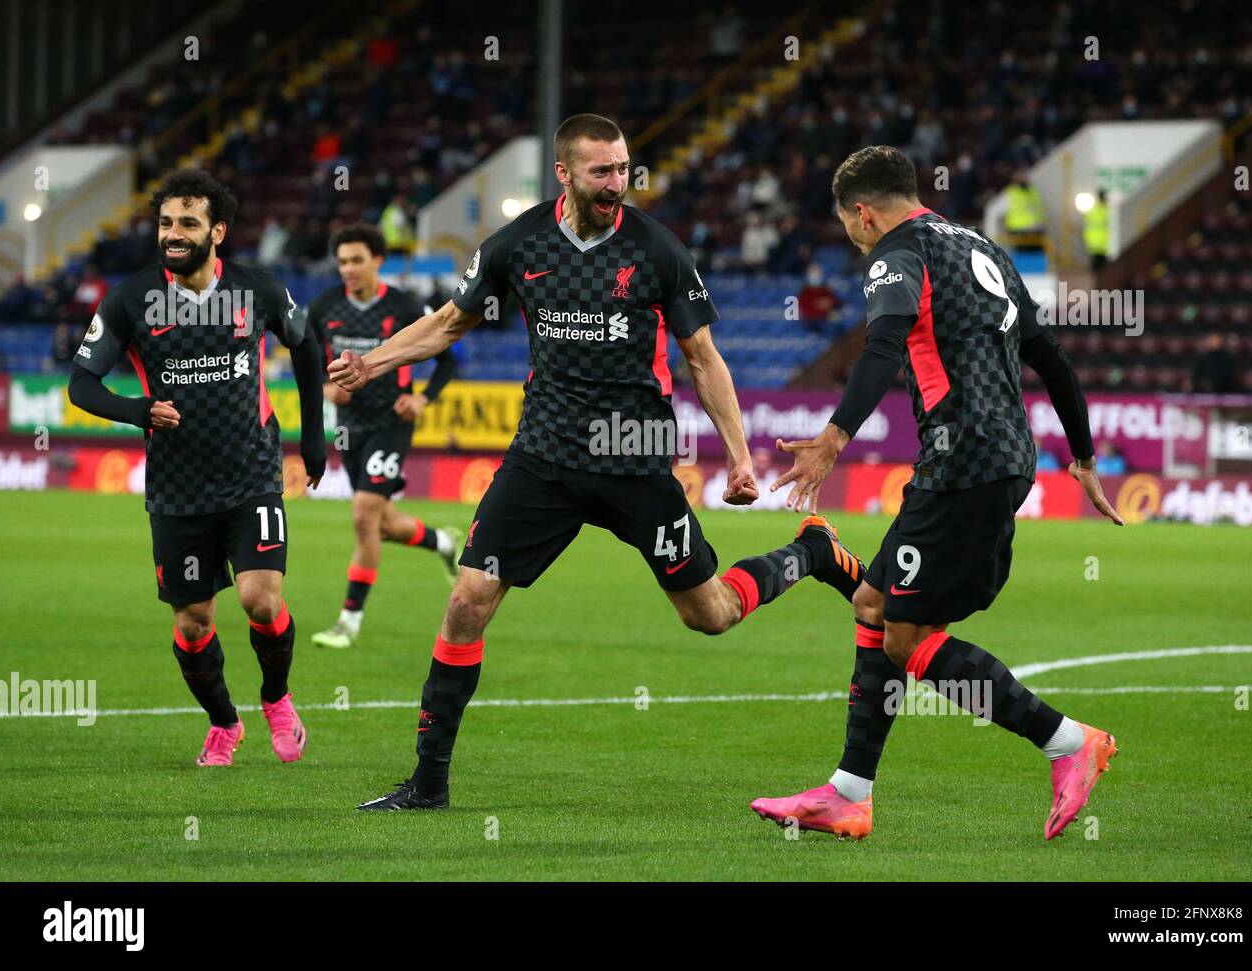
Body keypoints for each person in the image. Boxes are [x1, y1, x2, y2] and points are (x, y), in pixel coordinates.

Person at [329, 114, 866, 812]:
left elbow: (702, 358)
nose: (618, 183)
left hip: (636, 458)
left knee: (708, 614)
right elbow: (448, 323)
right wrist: (371, 362)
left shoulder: (656, 250)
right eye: (602, 171)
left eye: (623, 169)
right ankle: (428, 783)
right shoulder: (519, 243)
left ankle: (810, 550)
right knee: (466, 601)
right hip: (543, 458)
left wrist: (738, 457)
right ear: (565, 174)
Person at [756, 146, 1124, 841]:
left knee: (906, 635)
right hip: (993, 457)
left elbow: (885, 343)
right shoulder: (982, 246)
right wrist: (1081, 455)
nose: (854, 236)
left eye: (848, 225)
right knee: (873, 602)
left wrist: (834, 437)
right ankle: (848, 792)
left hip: (965, 462)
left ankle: (1069, 741)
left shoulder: (896, 252)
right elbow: (1052, 357)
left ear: (863, 212)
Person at [66, 170, 327, 767]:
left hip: (253, 472)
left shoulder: (257, 288)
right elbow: (82, 384)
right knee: (192, 622)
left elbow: (306, 345)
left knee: (260, 598)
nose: (174, 234)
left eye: (187, 223)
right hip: (178, 487)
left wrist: (313, 437)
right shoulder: (129, 299)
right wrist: (138, 411)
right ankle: (223, 723)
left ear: (218, 231)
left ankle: (277, 699)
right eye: (165, 224)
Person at [308, 224, 460, 651]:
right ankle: (443, 541)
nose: (348, 269)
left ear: (378, 261)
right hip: (348, 427)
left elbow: (448, 362)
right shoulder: (325, 307)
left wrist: (423, 399)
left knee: (362, 517)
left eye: (357, 259)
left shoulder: (405, 306)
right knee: (383, 523)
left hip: (392, 424)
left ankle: (348, 622)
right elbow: (309, 361)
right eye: (342, 261)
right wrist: (325, 386)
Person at [1084, 189, 1111, 271]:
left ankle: (1093, 282)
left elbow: (1087, 225)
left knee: (1095, 266)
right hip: (1104, 243)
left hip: (1092, 242)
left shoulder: (1092, 210)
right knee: (1104, 267)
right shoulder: (1108, 211)